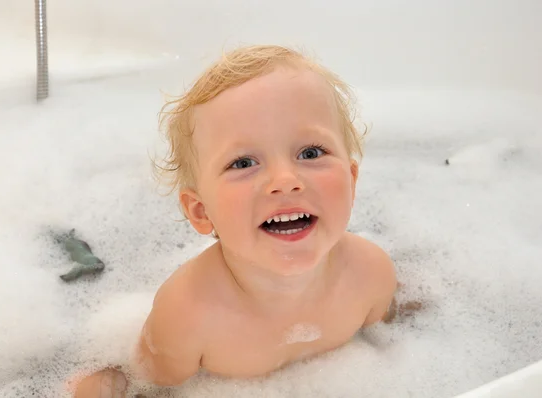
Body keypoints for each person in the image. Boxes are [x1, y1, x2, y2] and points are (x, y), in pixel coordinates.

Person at [73, 44, 398, 397]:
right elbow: (143, 382)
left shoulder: (372, 275)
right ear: (201, 212)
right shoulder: (187, 315)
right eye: (243, 163)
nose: (286, 179)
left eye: (311, 152)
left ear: (351, 181)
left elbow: (395, 344)